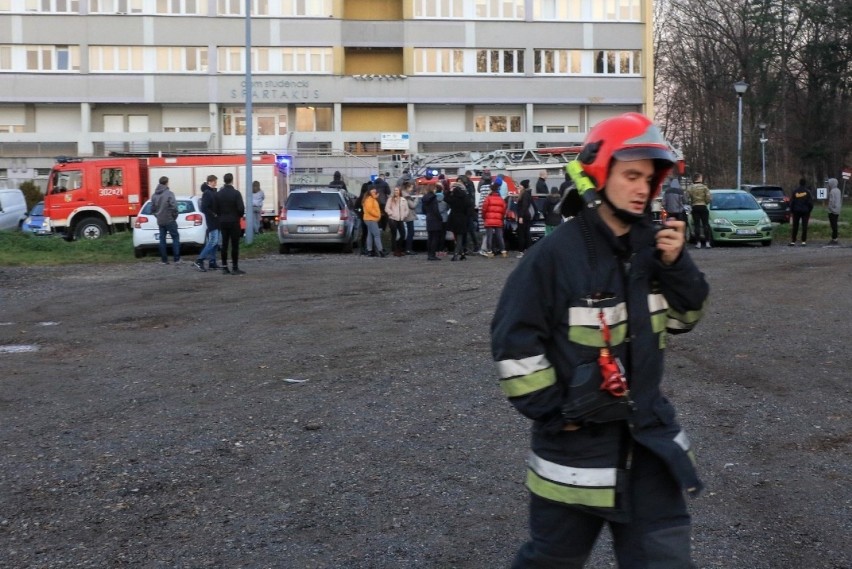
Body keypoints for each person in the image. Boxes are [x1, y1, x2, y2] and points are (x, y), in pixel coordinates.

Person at [491, 112, 709, 569]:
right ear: (598, 171)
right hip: (575, 456)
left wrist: (676, 266)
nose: (641, 189)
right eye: (631, 175)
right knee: (551, 562)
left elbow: (684, 320)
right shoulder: (553, 256)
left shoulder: (655, 248)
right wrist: (557, 413)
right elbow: (514, 344)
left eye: (649, 179)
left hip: (649, 446)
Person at [217, 172, 246, 275]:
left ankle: (224, 267)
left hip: (223, 221)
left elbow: (216, 208)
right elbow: (241, 208)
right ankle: (235, 267)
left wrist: (220, 216)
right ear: (232, 180)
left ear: (224, 180)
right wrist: (239, 215)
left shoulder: (219, 194)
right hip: (234, 221)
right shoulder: (236, 193)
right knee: (234, 245)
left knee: (224, 245)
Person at [150, 176, 180, 265]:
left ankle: (164, 260)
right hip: (170, 220)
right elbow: (174, 207)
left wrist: (157, 216)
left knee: (162, 239)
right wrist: (174, 216)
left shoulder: (154, 195)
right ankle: (176, 259)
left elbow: (153, 209)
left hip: (160, 221)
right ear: (167, 183)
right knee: (175, 237)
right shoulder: (169, 194)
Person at [194, 175, 220, 272]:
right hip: (212, 221)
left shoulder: (212, 192)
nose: (215, 183)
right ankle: (199, 260)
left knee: (215, 242)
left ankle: (212, 262)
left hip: (215, 221)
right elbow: (204, 207)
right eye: (214, 181)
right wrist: (213, 214)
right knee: (213, 241)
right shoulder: (207, 193)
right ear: (210, 181)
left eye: (215, 181)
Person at [444, 181, 470, 261]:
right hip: (462, 219)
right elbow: (468, 209)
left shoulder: (453, 198)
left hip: (453, 219)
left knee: (457, 237)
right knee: (459, 237)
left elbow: (446, 198)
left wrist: (449, 191)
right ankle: (461, 254)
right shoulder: (465, 198)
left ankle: (456, 254)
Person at [480, 184, 507, 258]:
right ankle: (503, 251)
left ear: (491, 190)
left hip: (489, 220)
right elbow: (504, 210)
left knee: (489, 236)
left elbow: (484, 209)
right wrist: (501, 217)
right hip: (498, 220)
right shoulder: (501, 199)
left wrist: (484, 217)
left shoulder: (488, 198)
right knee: (500, 236)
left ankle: (489, 252)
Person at [686, 172, 712, 248]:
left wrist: (691, 203)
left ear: (694, 179)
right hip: (703, 206)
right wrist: (705, 203)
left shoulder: (690, 188)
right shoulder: (705, 187)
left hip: (695, 207)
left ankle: (698, 243)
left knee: (697, 225)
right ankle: (707, 243)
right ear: (700, 178)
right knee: (705, 225)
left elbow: (686, 198)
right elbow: (709, 198)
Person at [384, 186, 410, 257]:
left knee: (403, 234)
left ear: (400, 191)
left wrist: (404, 215)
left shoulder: (403, 200)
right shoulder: (390, 199)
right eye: (395, 190)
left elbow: (406, 209)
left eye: (397, 190)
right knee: (394, 234)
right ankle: (395, 250)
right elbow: (387, 208)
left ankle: (399, 248)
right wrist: (391, 213)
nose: (396, 192)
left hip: (400, 219)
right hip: (393, 219)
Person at [421, 182, 443, 261]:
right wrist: (440, 218)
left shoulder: (424, 198)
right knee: (435, 238)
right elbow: (436, 210)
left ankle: (429, 254)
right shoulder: (434, 198)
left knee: (430, 238)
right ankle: (432, 254)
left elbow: (423, 210)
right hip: (435, 219)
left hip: (429, 218)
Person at [789, 178, 814, 246]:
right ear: (805, 183)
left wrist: (792, 211)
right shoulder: (807, 192)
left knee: (795, 226)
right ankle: (803, 241)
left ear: (799, 183)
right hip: (805, 212)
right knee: (804, 226)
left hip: (796, 211)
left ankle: (793, 241)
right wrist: (809, 211)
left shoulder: (795, 191)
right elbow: (810, 203)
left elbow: (792, 202)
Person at [362, 186, 385, 257]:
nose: (375, 193)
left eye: (375, 192)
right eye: (373, 191)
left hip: (369, 219)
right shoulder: (370, 199)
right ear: (370, 192)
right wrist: (378, 215)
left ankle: (370, 251)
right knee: (377, 235)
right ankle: (381, 251)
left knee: (370, 235)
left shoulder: (371, 199)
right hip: (371, 219)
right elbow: (369, 210)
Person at [516, 179, 535, 258]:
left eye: (520, 185)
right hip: (527, 216)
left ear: (523, 186)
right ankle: (528, 250)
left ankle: (521, 251)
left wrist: (520, 217)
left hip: (523, 216)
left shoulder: (524, 194)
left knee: (522, 234)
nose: (519, 186)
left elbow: (524, 206)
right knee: (527, 233)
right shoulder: (527, 194)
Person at [402, 181, 418, 255]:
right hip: (409, 215)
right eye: (411, 187)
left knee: (410, 232)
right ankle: (408, 249)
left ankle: (408, 248)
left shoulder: (405, 194)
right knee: (410, 232)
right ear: (407, 187)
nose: (412, 189)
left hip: (409, 215)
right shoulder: (406, 196)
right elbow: (412, 206)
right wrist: (416, 199)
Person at [827, 178, 841, 245]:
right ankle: (835, 238)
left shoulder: (832, 191)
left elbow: (831, 201)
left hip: (832, 211)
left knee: (833, 225)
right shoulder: (838, 190)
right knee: (835, 224)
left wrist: (830, 208)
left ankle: (834, 238)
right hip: (838, 210)